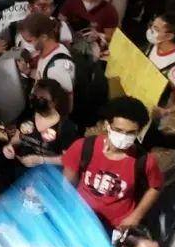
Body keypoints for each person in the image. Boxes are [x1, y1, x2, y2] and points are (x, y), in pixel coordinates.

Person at [61, 96, 163, 231]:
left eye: (131, 132)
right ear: (107, 125)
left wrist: (136, 217)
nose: (124, 136)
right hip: (81, 217)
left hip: (116, 227)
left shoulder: (144, 161)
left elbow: (155, 187)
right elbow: (67, 184)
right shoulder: (84, 147)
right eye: (118, 130)